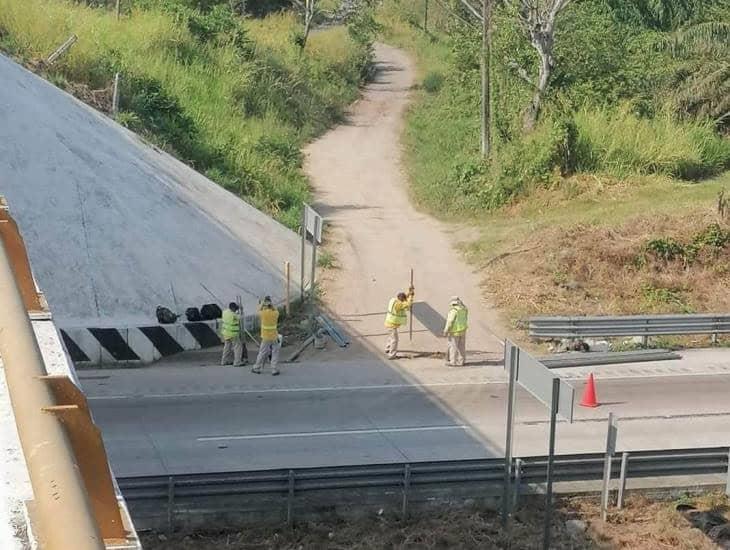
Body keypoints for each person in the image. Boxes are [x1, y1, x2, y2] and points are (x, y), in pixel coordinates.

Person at [384, 286, 415, 359]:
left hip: (388, 322)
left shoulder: (394, 300)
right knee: (395, 340)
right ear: (402, 299)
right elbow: (408, 304)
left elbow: (404, 299)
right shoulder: (399, 305)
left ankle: (387, 349)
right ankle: (392, 355)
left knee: (391, 337)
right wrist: (411, 296)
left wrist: (409, 293)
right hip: (392, 325)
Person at [253, 296, 281, 375]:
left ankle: (256, 367)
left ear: (265, 305)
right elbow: (275, 309)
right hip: (274, 336)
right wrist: (271, 304)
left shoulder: (263, 313)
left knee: (262, 352)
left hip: (265, 337)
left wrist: (262, 304)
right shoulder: (275, 313)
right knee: (275, 352)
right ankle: (274, 369)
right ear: (271, 305)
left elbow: (258, 310)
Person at [443, 296, 468, 366]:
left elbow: (450, 321)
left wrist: (446, 330)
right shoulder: (464, 309)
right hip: (463, 330)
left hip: (454, 332)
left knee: (453, 347)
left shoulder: (454, 311)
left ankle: (452, 362)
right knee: (462, 347)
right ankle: (462, 361)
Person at [220, 302, 245, 367]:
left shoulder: (224, 312)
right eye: (235, 308)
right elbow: (241, 317)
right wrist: (241, 310)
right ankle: (237, 362)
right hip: (233, 334)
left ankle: (224, 361)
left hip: (225, 333)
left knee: (227, 347)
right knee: (238, 347)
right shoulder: (234, 315)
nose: (236, 309)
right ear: (233, 308)